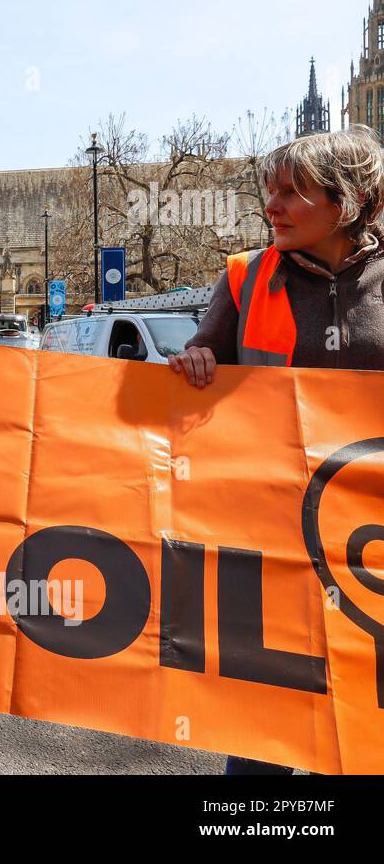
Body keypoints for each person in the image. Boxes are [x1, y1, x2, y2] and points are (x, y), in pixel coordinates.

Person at [169, 125, 384, 774]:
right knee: (263, 728)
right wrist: (196, 363)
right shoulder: (244, 277)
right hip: (273, 538)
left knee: (365, 723)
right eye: (269, 192)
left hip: (372, 544)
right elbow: (202, 372)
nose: (272, 207)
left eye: (291, 193)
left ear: (349, 201)